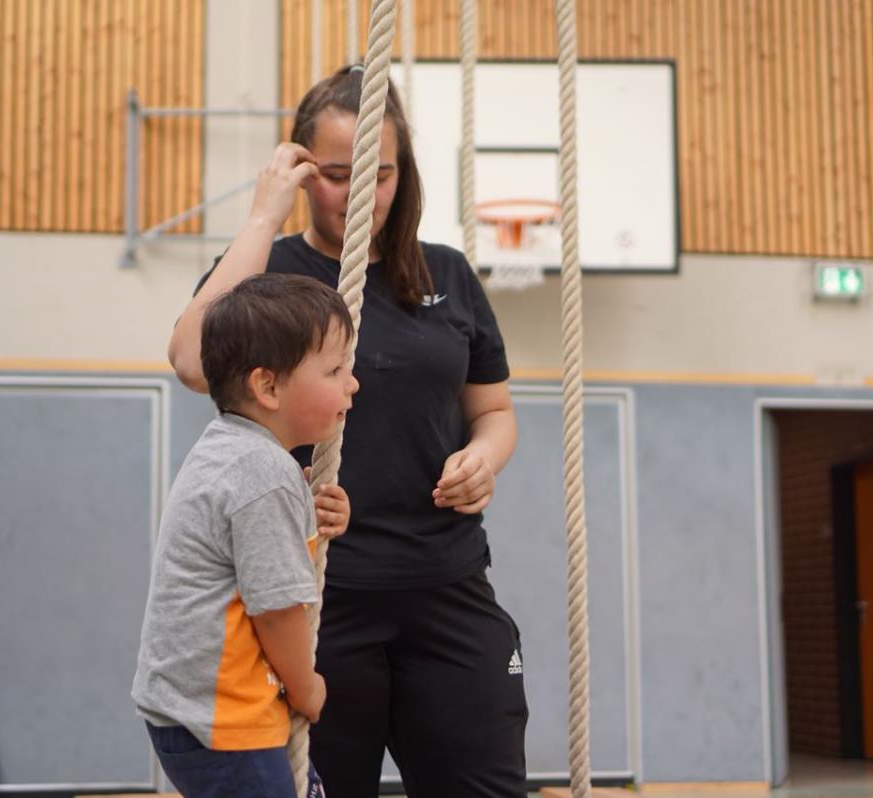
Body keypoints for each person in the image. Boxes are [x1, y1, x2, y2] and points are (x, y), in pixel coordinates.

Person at [168, 65, 528, 798]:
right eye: (335, 173)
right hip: (324, 594)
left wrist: (484, 457)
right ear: (301, 169)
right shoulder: (272, 276)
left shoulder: (448, 274)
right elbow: (189, 361)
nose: (361, 192)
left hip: (446, 579)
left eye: (382, 174)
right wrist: (265, 215)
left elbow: (493, 410)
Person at [132, 273, 358, 798]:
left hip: (187, 712)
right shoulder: (262, 473)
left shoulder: (233, 450)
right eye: (336, 370)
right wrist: (307, 689)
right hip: (223, 721)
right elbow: (277, 610)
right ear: (268, 386)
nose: (353, 384)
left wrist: (311, 508)